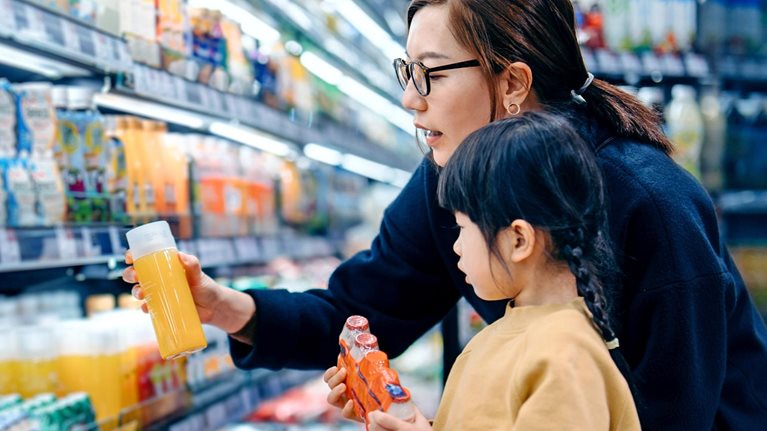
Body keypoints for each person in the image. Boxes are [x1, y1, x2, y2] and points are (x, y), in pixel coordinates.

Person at [124, 0, 767, 428]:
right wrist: (226, 307)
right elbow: (360, 310)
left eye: (430, 74)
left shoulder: (650, 202)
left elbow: (674, 412)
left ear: (512, 85)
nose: (410, 99)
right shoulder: (451, 182)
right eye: (407, 70)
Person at [326, 113, 642, 430]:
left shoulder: (564, 358)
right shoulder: (514, 335)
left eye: (463, 228)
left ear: (519, 240)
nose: (457, 247)